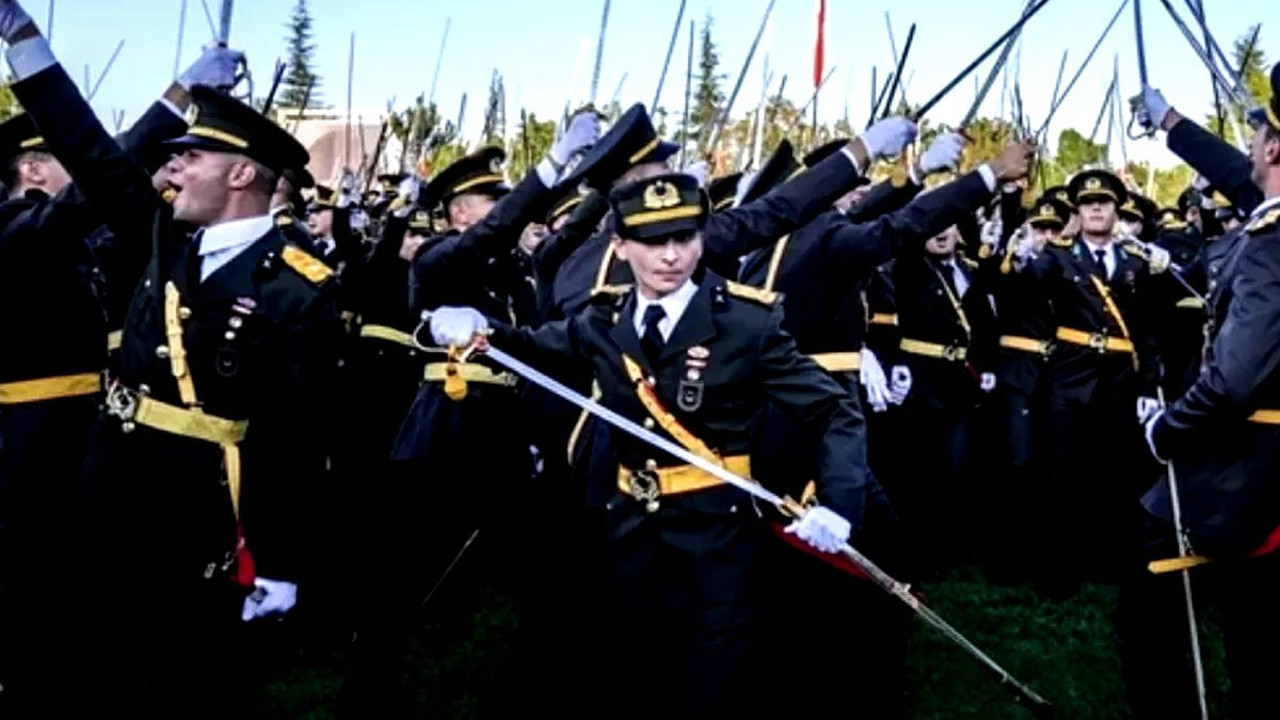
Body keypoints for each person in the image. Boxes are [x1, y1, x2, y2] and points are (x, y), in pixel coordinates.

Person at [424, 172, 878, 719]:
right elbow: (537, 345)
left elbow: (833, 409)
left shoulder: (745, 323)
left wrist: (839, 502)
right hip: (630, 532)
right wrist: (482, 327)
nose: (670, 256)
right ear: (620, 246)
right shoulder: (604, 318)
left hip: (717, 535)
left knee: (711, 684)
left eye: (684, 238)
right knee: (636, 673)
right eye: (652, 240)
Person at [0, 8, 345, 716]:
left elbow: (296, 437)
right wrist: (26, 46)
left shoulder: (296, 287)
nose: (173, 165)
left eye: (192, 156)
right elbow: (93, 152)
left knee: (184, 674)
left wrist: (279, 560)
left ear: (241, 173)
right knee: (93, 660)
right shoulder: (162, 236)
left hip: (199, 507)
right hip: (110, 483)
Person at [1113, 70, 1280, 720]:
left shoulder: (1270, 246)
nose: (1250, 145)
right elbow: (1240, 176)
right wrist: (1171, 123)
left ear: (1272, 147)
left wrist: (1167, 430)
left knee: (1151, 613)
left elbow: (1234, 381)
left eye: (1258, 134)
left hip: (1237, 466)